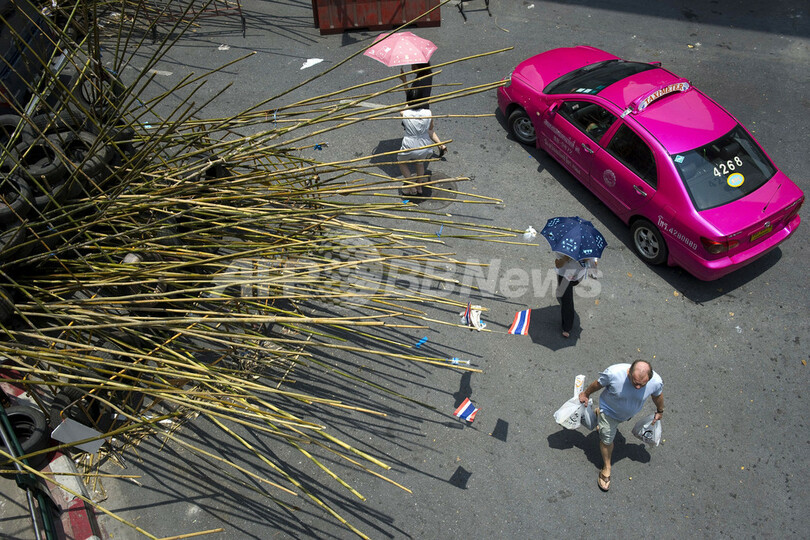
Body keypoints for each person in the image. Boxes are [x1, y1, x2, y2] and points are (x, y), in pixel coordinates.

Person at [578, 360, 664, 492]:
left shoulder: (656, 381)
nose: (637, 388)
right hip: (609, 413)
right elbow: (598, 384)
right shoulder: (614, 373)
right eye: (635, 383)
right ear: (629, 372)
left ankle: (599, 415)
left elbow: (657, 395)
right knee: (607, 440)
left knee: (608, 428)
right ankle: (607, 467)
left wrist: (660, 410)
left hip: (626, 415)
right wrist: (585, 394)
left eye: (642, 385)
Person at [398, 88, 447, 195]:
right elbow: (431, 127)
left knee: (401, 162)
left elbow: (405, 107)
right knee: (420, 164)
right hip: (424, 144)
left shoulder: (404, 113)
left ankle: (411, 185)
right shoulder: (428, 112)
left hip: (409, 144)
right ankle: (419, 185)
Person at [554, 254, 592, 337]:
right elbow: (557, 264)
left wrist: (586, 259)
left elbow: (593, 262)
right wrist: (565, 258)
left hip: (578, 276)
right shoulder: (562, 249)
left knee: (564, 292)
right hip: (564, 275)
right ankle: (567, 327)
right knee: (567, 300)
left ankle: (561, 291)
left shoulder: (587, 248)